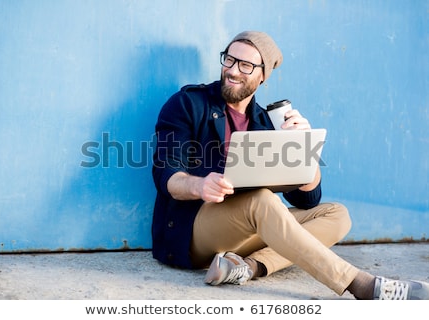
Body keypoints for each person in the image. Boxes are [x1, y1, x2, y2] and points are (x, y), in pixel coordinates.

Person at [151, 30, 429, 300]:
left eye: (246, 65)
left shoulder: (266, 122)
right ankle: (361, 284)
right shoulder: (188, 103)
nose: (233, 70)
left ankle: (248, 266)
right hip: (192, 232)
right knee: (261, 200)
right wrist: (200, 185)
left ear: (262, 76)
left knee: (337, 214)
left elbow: (306, 199)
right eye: (230, 59)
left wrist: (301, 148)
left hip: (248, 228)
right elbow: (167, 174)